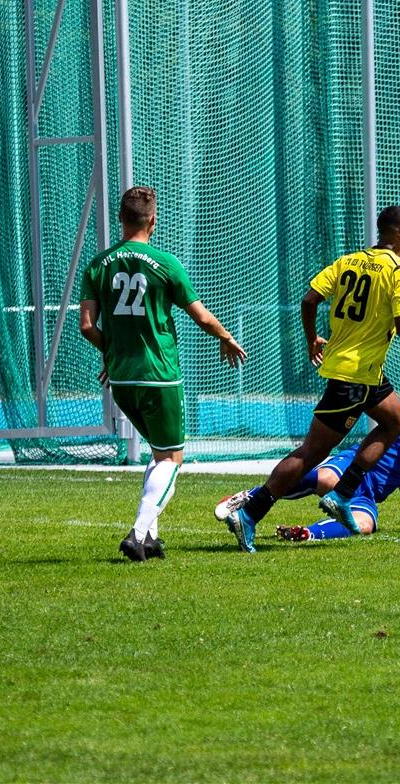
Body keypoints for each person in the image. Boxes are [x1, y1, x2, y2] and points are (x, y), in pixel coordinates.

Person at [218, 206, 400, 553]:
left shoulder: (348, 261)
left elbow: (309, 299)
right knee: (311, 453)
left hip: (364, 372)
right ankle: (251, 512)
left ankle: (343, 493)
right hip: (354, 376)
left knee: (395, 421)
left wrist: (310, 339)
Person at [79, 185, 247, 562]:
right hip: (159, 375)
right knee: (172, 459)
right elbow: (200, 316)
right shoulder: (165, 263)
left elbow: (87, 326)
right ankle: (138, 533)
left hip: (121, 379)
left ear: (121, 219)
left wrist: (113, 351)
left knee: (158, 456)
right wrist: (226, 336)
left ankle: (151, 536)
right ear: (153, 220)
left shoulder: (98, 264)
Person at [214, 373, 400, 542]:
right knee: (323, 479)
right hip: (354, 467)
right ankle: (251, 497)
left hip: (367, 494)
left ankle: (307, 534)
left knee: (363, 525)